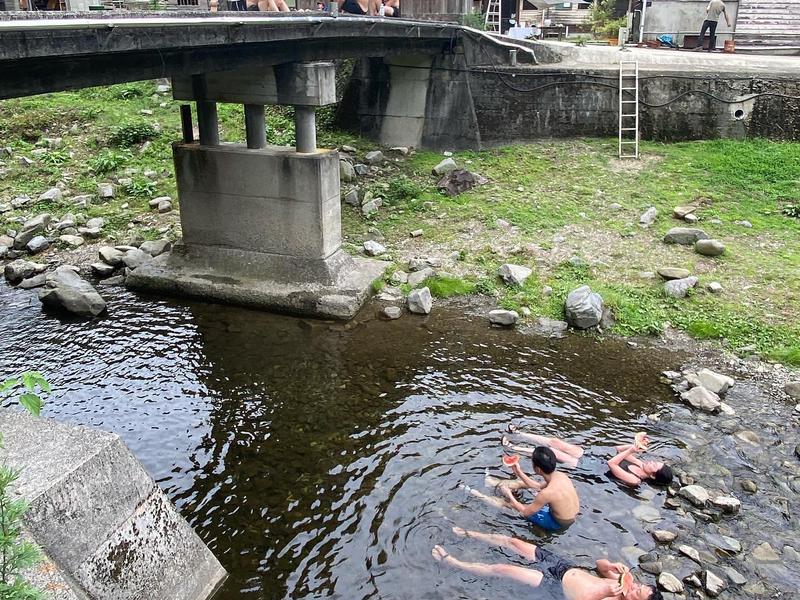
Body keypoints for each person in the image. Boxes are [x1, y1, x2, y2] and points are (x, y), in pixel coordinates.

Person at [432, 527, 662, 600]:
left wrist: (603, 590)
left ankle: (454, 562)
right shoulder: (620, 584)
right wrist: (610, 566)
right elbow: (598, 565)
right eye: (637, 586)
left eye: (636, 594)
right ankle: (470, 534)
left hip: (555, 588)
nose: (632, 588)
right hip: (563, 566)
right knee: (513, 542)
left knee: (503, 569)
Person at [463, 446, 579, 531]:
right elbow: (537, 486)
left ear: (537, 469)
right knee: (520, 483)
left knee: (510, 504)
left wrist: (509, 495)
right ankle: (491, 483)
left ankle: (476, 494)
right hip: (571, 515)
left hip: (558, 523)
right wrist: (518, 472)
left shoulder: (546, 494)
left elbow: (525, 512)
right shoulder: (560, 475)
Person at [607, 433, 673, 487]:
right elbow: (619, 450)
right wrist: (638, 445)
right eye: (655, 462)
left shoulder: (634, 480)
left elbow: (611, 463)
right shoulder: (640, 464)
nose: (652, 462)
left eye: (654, 465)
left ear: (652, 476)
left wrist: (630, 451)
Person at [504, 424, 584, 468]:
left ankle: (512, 447)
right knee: (555, 442)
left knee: (552, 452)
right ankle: (519, 434)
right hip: (590, 456)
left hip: (587, 466)